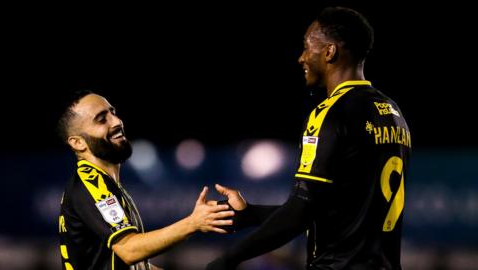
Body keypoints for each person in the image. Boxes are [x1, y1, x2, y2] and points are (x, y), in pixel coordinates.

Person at [206, 6, 411, 270]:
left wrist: (228, 258)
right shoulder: (394, 114)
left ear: (330, 52)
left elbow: (301, 210)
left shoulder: (330, 112)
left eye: (306, 46)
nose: (301, 58)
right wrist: (251, 213)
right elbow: (333, 209)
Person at [57, 90, 235, 270]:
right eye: (102, 119)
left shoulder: (105, 184)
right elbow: (129, 250)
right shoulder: (92, 183)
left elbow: (134, 263)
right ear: (78, 143)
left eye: (113, 112)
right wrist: (193, 223)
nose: (117, 122)